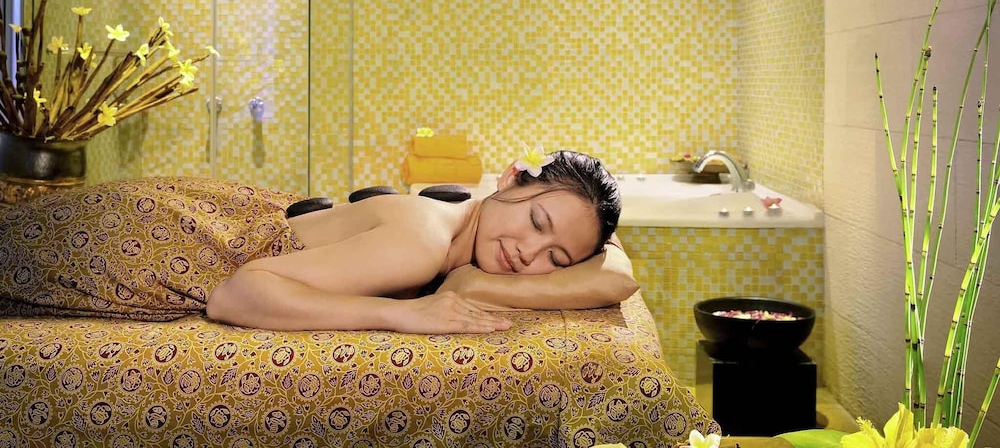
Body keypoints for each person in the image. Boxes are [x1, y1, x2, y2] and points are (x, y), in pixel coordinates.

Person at [0, 150, 637, 334]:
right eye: (536, 223)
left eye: (556, 259)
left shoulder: (452, 230)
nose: (529, 255)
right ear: (509, 179)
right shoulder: (424, 240)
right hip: (154, 235)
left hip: (192, 212)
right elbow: (235, 295)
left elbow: (615, 276)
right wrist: (404, 314)